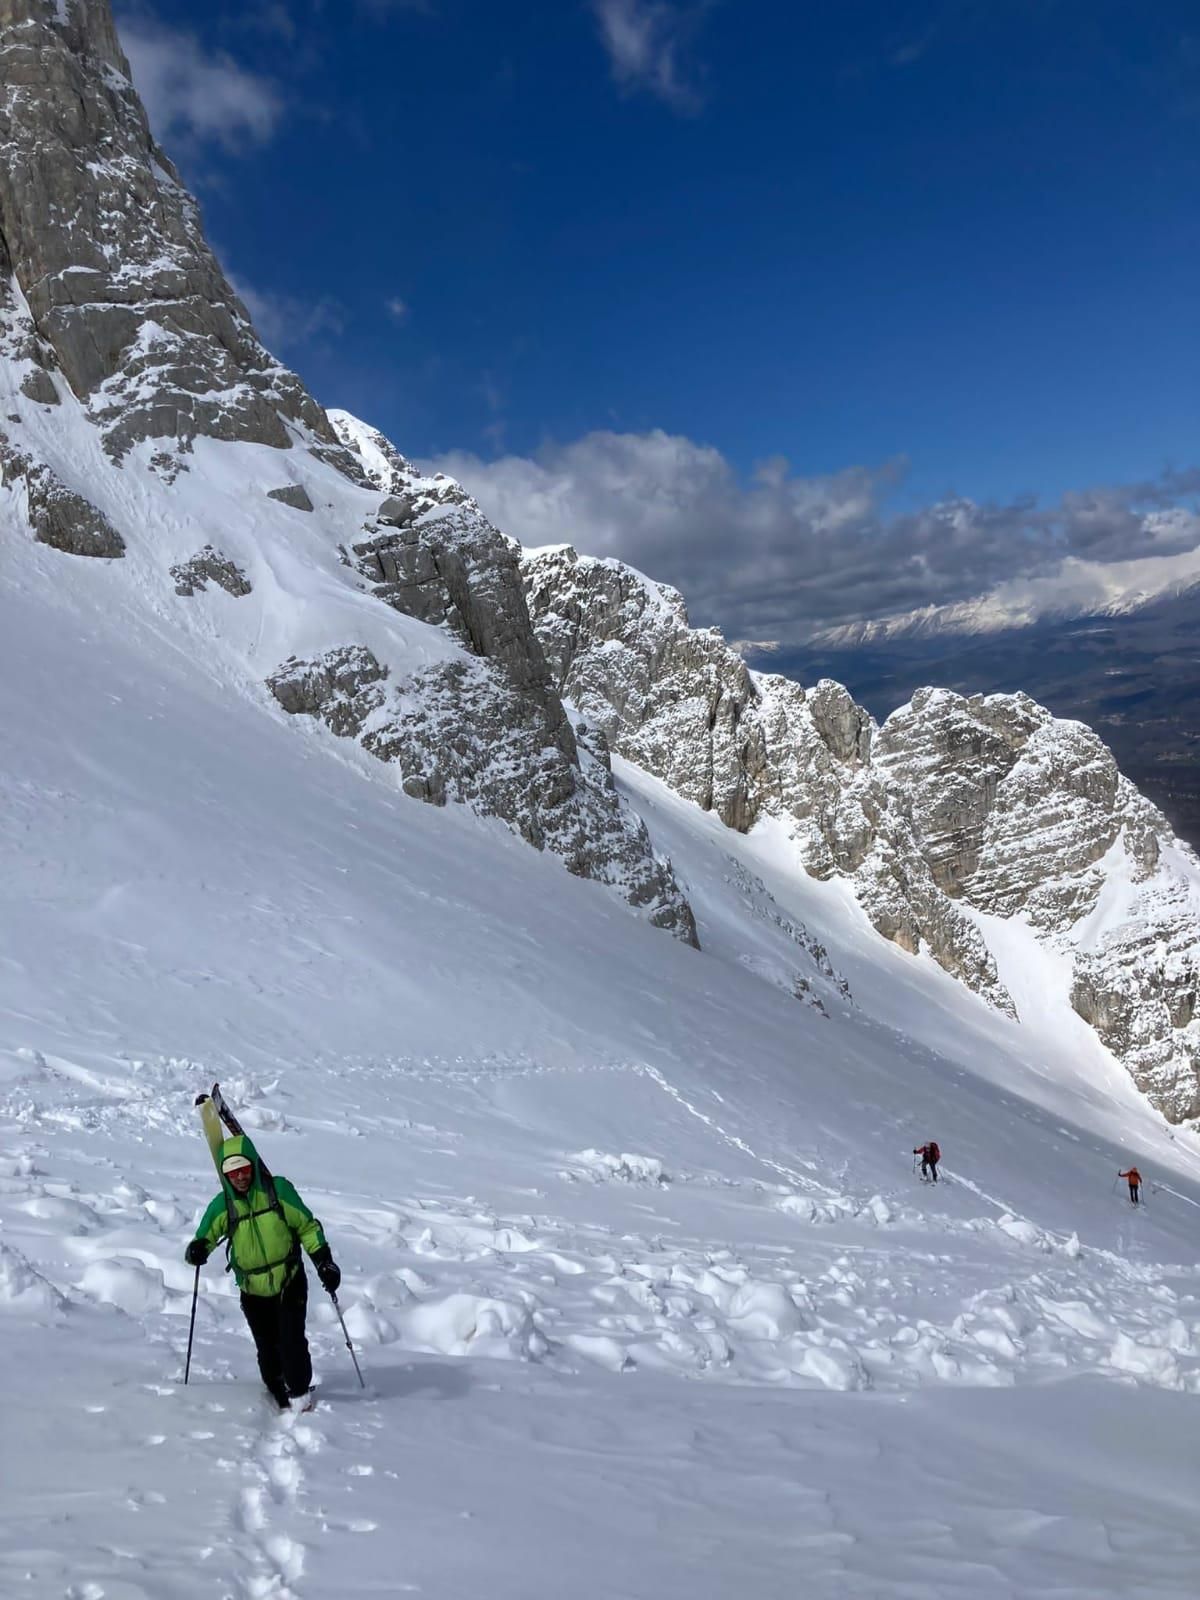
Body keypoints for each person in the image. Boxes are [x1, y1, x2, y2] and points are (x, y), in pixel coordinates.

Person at [185, 1133, 341, 1409]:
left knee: (291, 1340)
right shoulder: (224, 1205)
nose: (240, 1178)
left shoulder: (278, 1191)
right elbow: (205, 1236)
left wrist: (323, 1261)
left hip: (288, 1280)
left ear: (254, 1166)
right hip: (252, 1289)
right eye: (232, 1173)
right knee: (268, 1349)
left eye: (244, 1170)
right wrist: (198, 1249)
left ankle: (300, 1396)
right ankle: (277, 1388)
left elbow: (307, 1227)